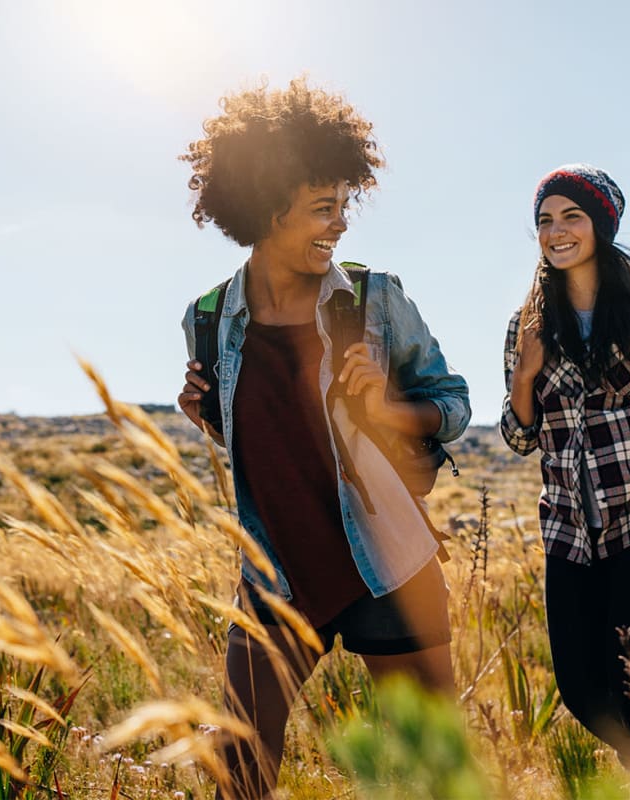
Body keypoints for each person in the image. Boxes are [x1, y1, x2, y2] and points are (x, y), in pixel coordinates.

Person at [176, 78, 470, 799]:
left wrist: (392, 413)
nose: (339, 224)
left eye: (345, 206)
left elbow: (452, 403)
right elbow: (265, 434)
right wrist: (205, 415)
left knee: (435, 774)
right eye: (321, 208)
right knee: (239, 767)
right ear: (265, 204)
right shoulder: (210, 318)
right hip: (276, 571)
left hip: (388, 562)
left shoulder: (375, 299)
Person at [501, 163, 630, 776]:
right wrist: (524, 375)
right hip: (570, 525)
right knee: (580, 688)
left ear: (601, 223)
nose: (556, 231)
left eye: (571, 216)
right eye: (545, 220)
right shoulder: (527, 324)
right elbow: (520, 437)